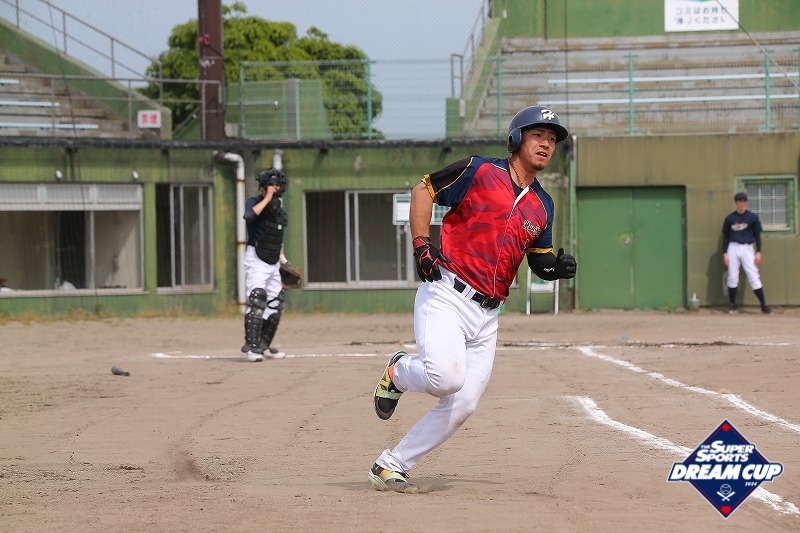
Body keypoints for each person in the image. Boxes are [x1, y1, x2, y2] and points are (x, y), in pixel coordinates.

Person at [367, 106, 577, 492]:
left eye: (552, 139)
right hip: (448, 293)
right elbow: (423, 191)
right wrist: (421, 245)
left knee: (463, 403)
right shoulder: (479, 170)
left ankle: (391, 464)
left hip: (488, 315)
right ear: (517, 139)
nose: (546, 144)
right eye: (538, 135)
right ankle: (399, 371)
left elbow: (539, 259)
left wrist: (555, 268)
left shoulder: (543, 204)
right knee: (445, 378)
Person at [241, 168, 290, 362]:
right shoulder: (255, 202)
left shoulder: (278, 212)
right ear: (263, 187)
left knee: (276, 302)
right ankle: (251, 348)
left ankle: (263, 345)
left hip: (272, 261)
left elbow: (276, 237)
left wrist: (283, 260)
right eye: (271, 185)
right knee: (257, 298)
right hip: (256, 258)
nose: (275, 188)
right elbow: (249, 216)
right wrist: (267, 197)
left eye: (277, 185)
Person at [722, 192, 772, 315]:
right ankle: (732, 305)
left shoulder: (752, 217)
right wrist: (725, 253)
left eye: (744, 201)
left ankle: (763, 305)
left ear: (747, 202)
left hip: (747, 247)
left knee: (753, 275)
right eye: (740, 201)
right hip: (733, 247)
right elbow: (725, 237)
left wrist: (759, 251)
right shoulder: (730, 218)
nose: (742, 203)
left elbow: (757, 235)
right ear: (736, 202)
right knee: (733, 276)